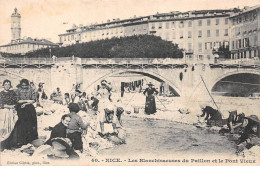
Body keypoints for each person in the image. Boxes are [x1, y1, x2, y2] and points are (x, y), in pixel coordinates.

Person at [1, 79, 38, 151]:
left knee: (31, 123)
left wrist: (26, 103)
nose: (24, 87)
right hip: (21, 108)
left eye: (25, 85)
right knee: (21, 124)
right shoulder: (17, 90)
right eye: (22, 85)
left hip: (29, 108)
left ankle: (31, 139)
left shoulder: (31, 90)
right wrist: (26, 101)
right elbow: (17, 100)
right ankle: (20, 140)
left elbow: (33, 100)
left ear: (27, 85)